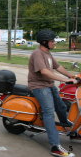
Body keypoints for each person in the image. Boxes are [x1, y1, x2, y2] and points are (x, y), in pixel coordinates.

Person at [28, 29, 77, 157]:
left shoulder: (48, 54)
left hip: (49, 85)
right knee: (49, 112)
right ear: (44, 42)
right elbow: (44, 71)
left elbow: (58, 67)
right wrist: (65, 80)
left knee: (61, 106)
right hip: (39, 86)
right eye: (52, 41)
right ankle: (55, 146)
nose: (54, 43)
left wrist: (72, 76)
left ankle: (67, 127)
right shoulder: (37, 54)